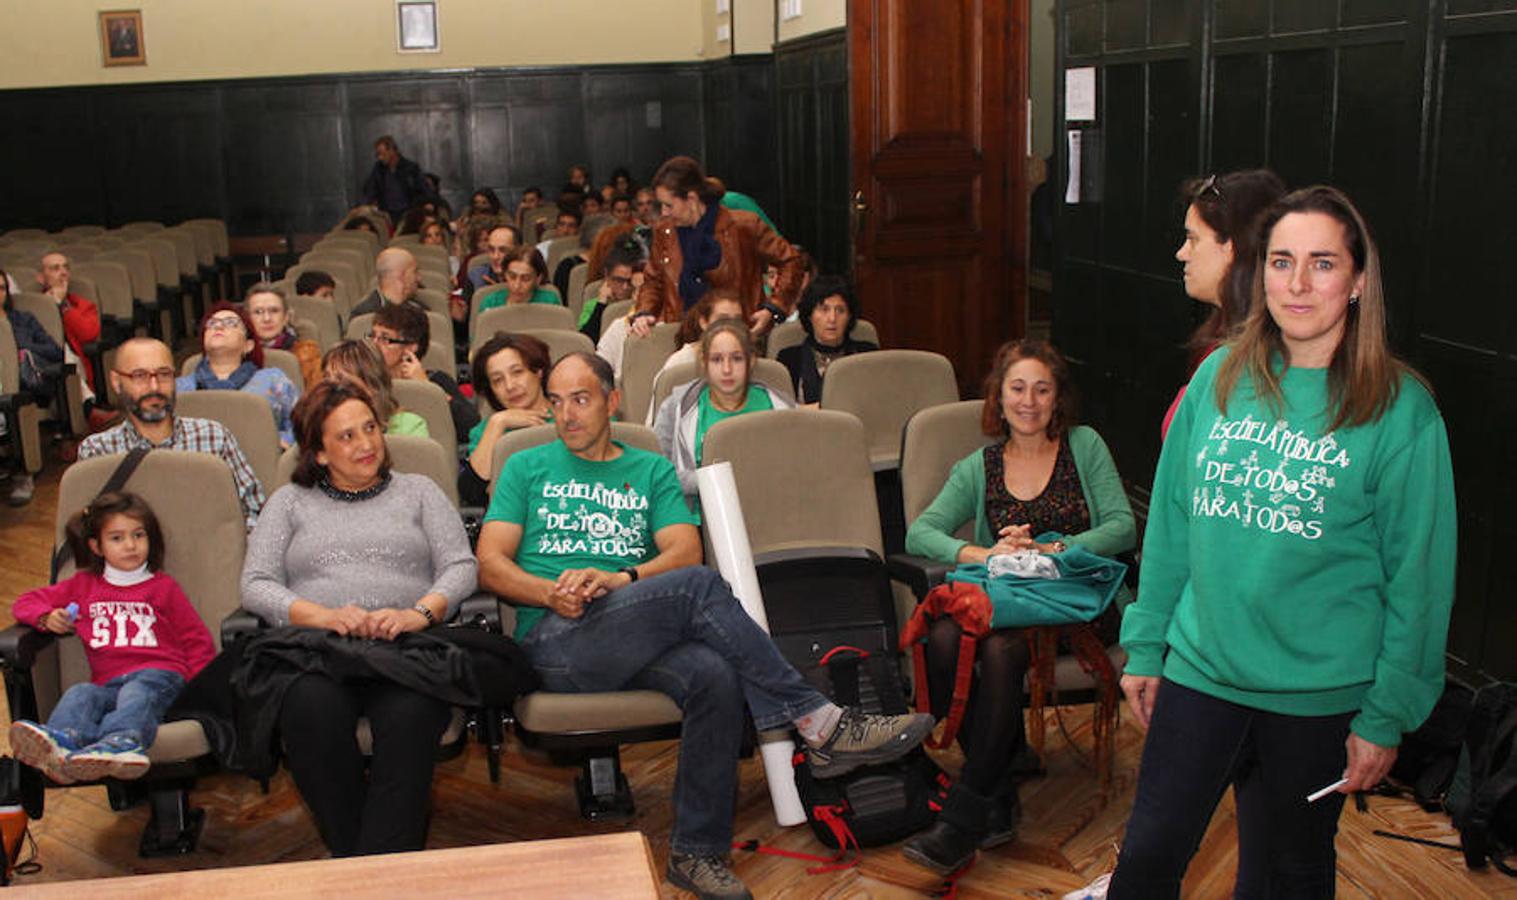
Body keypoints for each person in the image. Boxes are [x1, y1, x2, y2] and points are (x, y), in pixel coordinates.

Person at [476, 351, 934, 900]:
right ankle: (820, 723)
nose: (566, 414)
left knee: (714, 674)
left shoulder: (648, 468)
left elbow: (684, 547)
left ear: (611, 400)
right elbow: (491, 563)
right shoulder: (528, 465)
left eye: (581, 398)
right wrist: (548, 591)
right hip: (556, 638)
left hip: (633, 627)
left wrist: (623, 578)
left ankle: (696, 854)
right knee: (699, 588)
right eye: (555, 401)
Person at [1110, 186, 1456, 897]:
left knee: (1284, 877)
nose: (1296, 284)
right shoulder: (1217, 378)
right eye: (1280, 261)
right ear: (1258, 271)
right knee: (1145, 861)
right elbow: (1172, 526)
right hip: (1201, 675)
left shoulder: (1400, 411)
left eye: (1321, 263)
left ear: (1357, 280)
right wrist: (1146, 644)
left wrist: (1385, 715)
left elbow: (1418, 583)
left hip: (1317, 701)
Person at [899, 339, 1136, 873]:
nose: (1029, 401)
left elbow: (1122, 526)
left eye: (1042, 389)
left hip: (1079, 603)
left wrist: (1053, 548)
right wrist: (987, 552)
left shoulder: (1085, 445)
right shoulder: (979, 466)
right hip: (1012, 600)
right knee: (941, 637)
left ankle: (964, 817)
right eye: (1018, 388)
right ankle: (997, 780)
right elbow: (922, 530)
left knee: (1001, 652)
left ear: (1058, 399)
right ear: (998, 397)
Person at [241, 380, 477, 856]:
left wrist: (418, 614)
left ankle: (371, 871)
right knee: (308, 712)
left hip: (405, 650)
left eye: (370, 428)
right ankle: (370, 867)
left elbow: (461, 566)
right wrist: (322, 615)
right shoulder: (289, 502)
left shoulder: (420, 491)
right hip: (319, 652)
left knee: (411, 717)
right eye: (346, 436)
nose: (366, 444)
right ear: (319, 452)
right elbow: (256, 584)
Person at [9, 491, 215, 783]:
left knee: (137, 692)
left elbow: (196, 641)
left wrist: (199, 694)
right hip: (108, 684)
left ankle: (122, 743)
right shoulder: (83, 586)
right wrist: (46, 617)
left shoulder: (163, 588)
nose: (131, 545)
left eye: (138, 535)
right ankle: (62, 746)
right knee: (81, 693)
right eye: (117, 538)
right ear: (96, 546)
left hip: (160, 678)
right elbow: (25, 602)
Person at [81, 338, 265, 530]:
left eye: (164, 374)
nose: (154, 387)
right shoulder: (98, 451)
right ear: (117, 382)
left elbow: (256, 511)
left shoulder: (214, 438)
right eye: (139, 376)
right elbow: (89, 530)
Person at [1164, 170, 1286, 437]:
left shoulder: (1262, 362)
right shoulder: (1220, 340)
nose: (1181, 253)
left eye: (1193, 239)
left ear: (1231, 248)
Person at [630, 156, 802, 341]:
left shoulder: (744, 225)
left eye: (669, 205)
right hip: (684, 336)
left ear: (692, 198)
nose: (664, 212)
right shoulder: (665, 232)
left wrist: (774, 308)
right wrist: (645, 311)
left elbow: (791, 260)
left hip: (740, 336)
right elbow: (654, 279)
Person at [653, 320, 794, 504]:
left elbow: (796, 468)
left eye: (736, 359)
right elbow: (658, 472)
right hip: (696, 516)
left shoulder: (780, 407)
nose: (727, 369)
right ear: (704, 362)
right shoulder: (677, 407)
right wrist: (711, 481)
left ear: (750, 360)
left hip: (769, 509)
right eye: (717, 359)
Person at [177, 303, 301, 448]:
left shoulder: (273, 380)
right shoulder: (181, 388)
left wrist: (282, 443)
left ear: (248, 345)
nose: (218, 327)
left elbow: (302, 422)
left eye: (231, 323)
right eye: (212, 323)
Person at [459, 333, 552, 507]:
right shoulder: (487, 429)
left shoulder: (571, 415)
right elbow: (473, 494)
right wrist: (498, 423)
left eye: (517, 372)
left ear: (538, 371)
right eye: (497, 380)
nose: (510, 386)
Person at [370, 302, 479, 441]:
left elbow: (473, 428)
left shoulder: (437, 379)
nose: (374, 344)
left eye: (384, 339)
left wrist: (428, 388)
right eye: (372, 336)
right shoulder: (364, 382)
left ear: (410, 347)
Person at [1, 268, 65, 505]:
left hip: (26, 389)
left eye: (1, 289)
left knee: (13, 402)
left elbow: (56, 351)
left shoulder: (23, 320)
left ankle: (22, 473)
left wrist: (23, 348)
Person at [776, 276, 879, 405]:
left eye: (840, 310)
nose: (832, 318)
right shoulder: (789, 358)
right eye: (824, 309)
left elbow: (876, 403)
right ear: (809, 315)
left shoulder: (867, 354)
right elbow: (783, 411)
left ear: (849, 316)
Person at [36, 251, 105, 414]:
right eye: (55, 268)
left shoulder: (82, 305)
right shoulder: (32, 309)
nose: (63, 272)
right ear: (41, 278)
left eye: (66, 267)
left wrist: (63, 307)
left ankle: (88, 409)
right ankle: (89, 409)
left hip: (72, 364)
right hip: (40, 364)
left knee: (66, 356)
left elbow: (88, 334)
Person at [321, 341, 428, 438]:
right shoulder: (320, 427)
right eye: (327, 378)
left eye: (342, 380)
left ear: (372, 386)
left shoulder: (409, 427)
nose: (331, 389)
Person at [246, 283, 322, 389]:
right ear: (247, 319)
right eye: (258, 312)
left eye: (274, 311)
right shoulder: (239, 354)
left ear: (286, 317)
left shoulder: (306, 353)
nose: (267, 318)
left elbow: (317, 397)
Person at [361, 135, 436, 224]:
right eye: (378, 155)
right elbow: (371, 190)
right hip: (386, 214)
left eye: (382, 154)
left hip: (408, 212)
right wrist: (362, 207)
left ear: (392, 150)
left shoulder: (410, 168)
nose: (380, 158)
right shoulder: (378, 169)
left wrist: (430, 203)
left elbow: (425, 189)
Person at [475, 245, 559, 313]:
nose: (517, 285)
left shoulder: (550, 302)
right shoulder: (490, 303)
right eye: (512, 277)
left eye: (525, 279)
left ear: (538, 279)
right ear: (505, 274)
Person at [350, 248, 426, 319]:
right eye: (415, 272)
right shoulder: (363, 315)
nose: (419, 278)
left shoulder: (420, 309)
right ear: (401, 276)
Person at [466, 225, 523, 295]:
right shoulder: (476, 276)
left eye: (503, 250)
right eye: (491, 250)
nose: (495, 257)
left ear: (518, 250)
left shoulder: (529, 278)